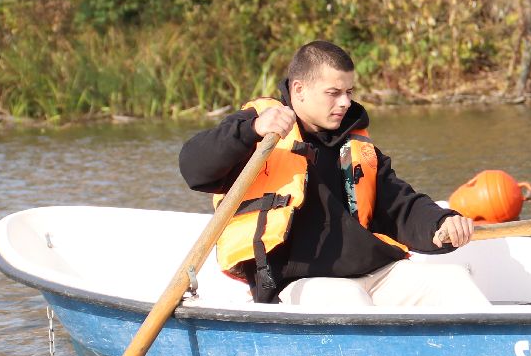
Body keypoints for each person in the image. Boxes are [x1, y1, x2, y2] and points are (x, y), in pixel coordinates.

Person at [179, 40, 491, 309]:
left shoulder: (354, 145)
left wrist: (441, 223)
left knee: (452, 279)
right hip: (300, 283)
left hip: (373, 272)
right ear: (299, 90)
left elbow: (400, 205)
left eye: (349, 91)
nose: (345, 102)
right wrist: (252, 130)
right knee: (346, 301)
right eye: (333, 92)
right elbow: (194, 166)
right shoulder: (259, 131)